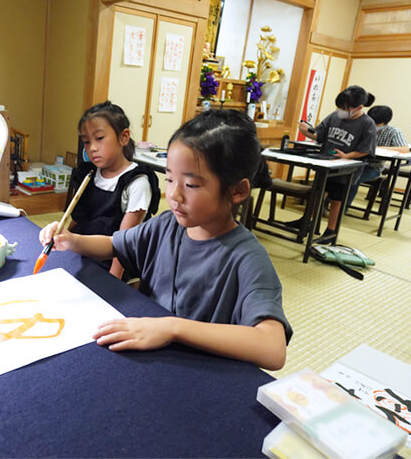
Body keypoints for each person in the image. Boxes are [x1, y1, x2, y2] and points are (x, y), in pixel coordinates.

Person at [40, 110, 292, 370]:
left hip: (195, 371)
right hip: (148, 354)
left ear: (237, 191)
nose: (174, 195)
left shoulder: (247, 258)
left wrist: (173, 328)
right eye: (170, 179)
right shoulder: (167, 224)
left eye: (191, 185)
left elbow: (272, 349)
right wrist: (71, 240)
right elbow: (113, 244)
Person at [42, 101, 160, 279]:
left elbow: (124, 244)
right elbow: (78, 218)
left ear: (124, 137)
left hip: (113, 261)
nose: (92, 148)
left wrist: (113, 279)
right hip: (83, 249)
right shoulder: (89, 173)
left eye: (99, 138)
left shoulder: (137, 183)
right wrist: (62, 234)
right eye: (86, 142)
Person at [295, 86, 377, 243]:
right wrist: (306, 131)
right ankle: (306, 221)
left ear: (359, 108)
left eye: (345, 108)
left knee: (336, 200)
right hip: (326, 163)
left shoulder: (367, 124)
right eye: (339, 107)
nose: (341, 111)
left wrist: (347, 156)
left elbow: (366, 149)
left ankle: (330, 230)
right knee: (318, 193)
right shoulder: (334, 116)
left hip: (346, 169)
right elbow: (319, 135)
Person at [344, 105, 410, 207]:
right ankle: (325, 205)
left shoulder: (393, 132)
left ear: (385, 122)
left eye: (377, 123)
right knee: (336, 175)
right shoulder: (363, 127)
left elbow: (405, 149)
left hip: (373, 167)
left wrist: (377, 148)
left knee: (354, 178)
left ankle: (343, 209)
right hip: (355, 162)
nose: (373, 124)